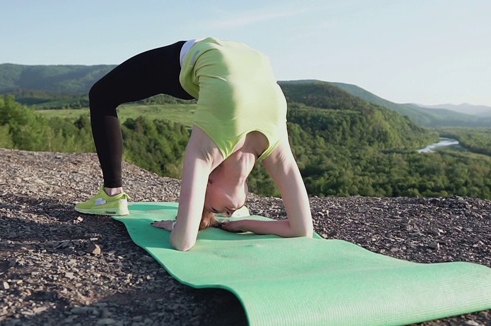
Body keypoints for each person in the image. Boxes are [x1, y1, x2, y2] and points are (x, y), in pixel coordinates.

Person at [75, 37, 313, 251]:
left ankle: (113, 195)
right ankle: (111, 195)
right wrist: (181, 226)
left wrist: (241, 224)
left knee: (103, 95)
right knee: (101, 94)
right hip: (197, 59)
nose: (225, 215)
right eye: (218, 210)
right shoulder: (210, 150)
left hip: (241, 62)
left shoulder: (274, 143)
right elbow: (183, 241)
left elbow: (302, 230)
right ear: (207, 180)